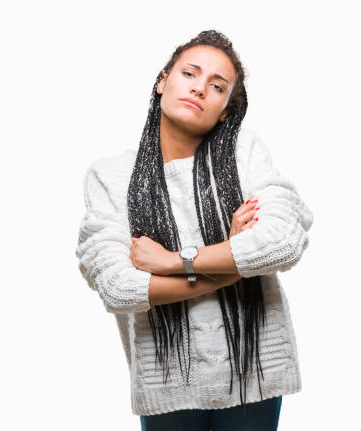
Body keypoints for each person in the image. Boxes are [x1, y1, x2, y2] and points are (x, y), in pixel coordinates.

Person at [75, 29, 314, 431]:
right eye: (190, 74)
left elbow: (283, 241)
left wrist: (171, 262)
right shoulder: (110, 176)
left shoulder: (244, 153)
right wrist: (234, 260)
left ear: (225, 110)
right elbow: (117, 286)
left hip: (253, 372)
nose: (200, 89)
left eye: (217, 86)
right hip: (168, 381)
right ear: (162, 81)